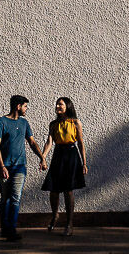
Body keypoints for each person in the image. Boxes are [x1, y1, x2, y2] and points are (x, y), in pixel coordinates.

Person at [0, 94, 46, 242]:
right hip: (4, 167)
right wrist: (2, 165)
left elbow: (32, 143)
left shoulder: (24, 123)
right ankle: (5, 228)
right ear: (18, 106)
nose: (26, 109)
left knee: (15, 198)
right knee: (5, 199)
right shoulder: (1, 122)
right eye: (25, 106)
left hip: (20, 166)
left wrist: (41, 157)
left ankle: (11, 229)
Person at [40, 96, 88, 236]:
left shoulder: (75, 122)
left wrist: (84, 163)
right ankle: (55, 215)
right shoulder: (53, 124)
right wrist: (43, 158)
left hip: (71, 155)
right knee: (53, 189)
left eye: (60, 104)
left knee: (68, 190)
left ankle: (69, 223)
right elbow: (49, 142)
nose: (57, 106)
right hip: (58, 155)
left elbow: (80, 143)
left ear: (67, 106)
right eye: (57, 104)